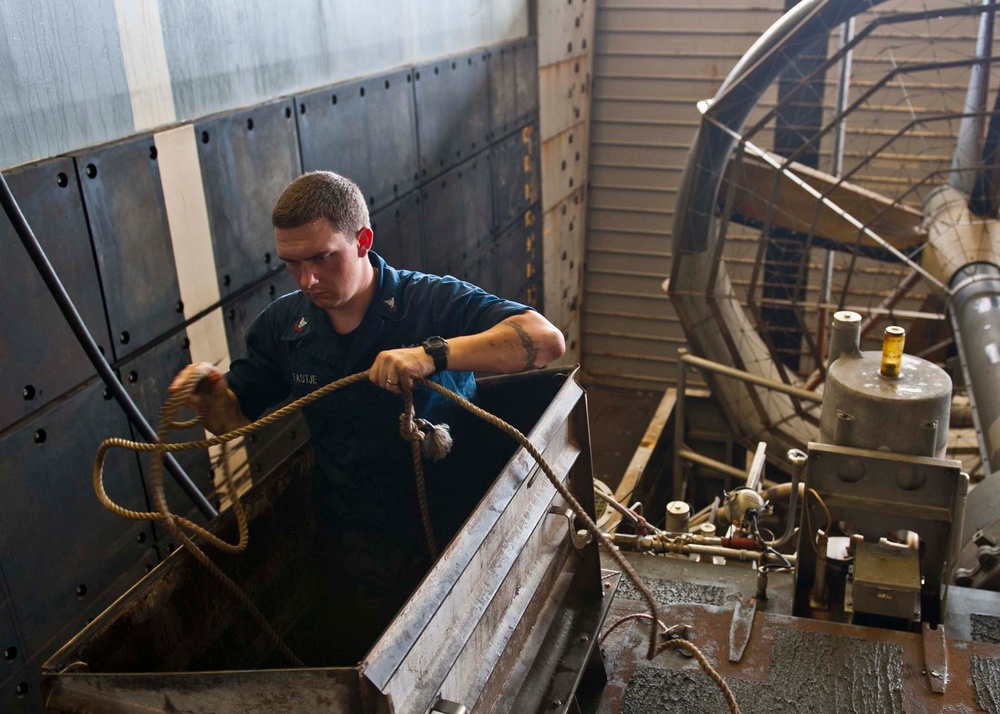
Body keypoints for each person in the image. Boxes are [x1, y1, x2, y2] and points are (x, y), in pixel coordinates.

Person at [169, 170, 565, 662]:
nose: (307, 280)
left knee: (475, 648)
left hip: (459, 520)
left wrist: (433, 355)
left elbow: (545, 341)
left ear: (362, 241)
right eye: (292, 264)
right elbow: (231, 419)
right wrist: (211, 398)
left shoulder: (428, 301)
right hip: (359, 537)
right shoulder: (283, 328)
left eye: (322, 258)